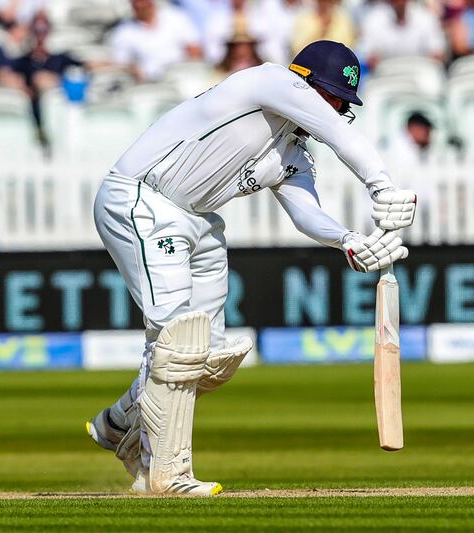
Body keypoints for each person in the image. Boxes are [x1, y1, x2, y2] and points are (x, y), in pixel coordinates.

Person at [87, 41, 417, 496]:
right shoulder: (269, 80)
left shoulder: (293, 151)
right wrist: (382, 187)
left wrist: (349, 241)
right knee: (176, 339)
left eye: (344, 103)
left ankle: (119, 424)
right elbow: (341, 135)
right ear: (305, 82)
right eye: (332, 96)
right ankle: (164, 476)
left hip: (198, 220)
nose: (337, 108)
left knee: (207, 356)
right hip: (141, 199)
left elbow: (305, 209)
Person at [11, 12, 82, 140]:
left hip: (58, 113)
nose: (39, 34)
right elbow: (3, 74)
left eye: (43, 29)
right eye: (36, 30)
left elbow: (87, 66)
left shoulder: (60, 59)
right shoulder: (21, 62)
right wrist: (22, 87)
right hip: (31, 115)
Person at [111, 0, 202, 82]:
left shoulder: (175, 16)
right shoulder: (123, 32)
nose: (141, 5)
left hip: (182, 74)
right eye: (137, 2)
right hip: (152, 83)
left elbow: (194, 48)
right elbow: (123, 64)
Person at [358, 0, 445, 71]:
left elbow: (437, 53)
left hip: (421, 75)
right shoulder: (373, 19)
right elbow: (367, 54)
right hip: (385, 76)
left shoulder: (426, 17)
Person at [291, 0, 356, 56]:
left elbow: (349, 45)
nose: (325, 4)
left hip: (335, 64)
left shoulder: (342, 18)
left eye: (328, 1)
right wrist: (321, 30)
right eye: (322, 0)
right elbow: (297, 48)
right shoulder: (305, 18)